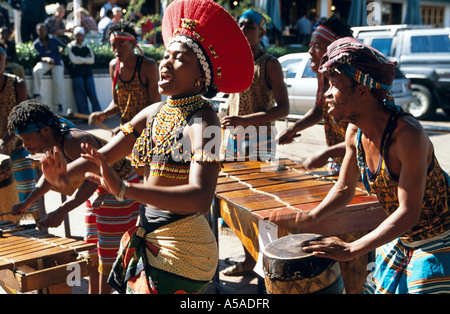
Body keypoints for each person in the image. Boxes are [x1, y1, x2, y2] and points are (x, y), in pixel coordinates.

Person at [38, 0, 254, 294]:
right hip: (150, 234)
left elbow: (202, 197)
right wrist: (64, 178)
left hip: (184, 246)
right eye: (166, 55)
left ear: (201, 76)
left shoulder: (206, 119)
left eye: (180, 59)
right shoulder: (152, 113)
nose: (166, 62)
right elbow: (100, 157)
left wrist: (125, 190)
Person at [271, 37, 450, 294]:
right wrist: (309, 217)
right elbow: (345, 187)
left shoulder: (408, 136)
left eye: (335, 85)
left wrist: (351, 249)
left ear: (363, 91)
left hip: (438, 240)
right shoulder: (354, 132)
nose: (327, 94)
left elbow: (409, 212)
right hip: (403, 237)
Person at [9, 100, 141, 294]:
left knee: (107, 253)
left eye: (27, 139)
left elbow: (91, 179)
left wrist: (62, 210)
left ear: (45, 130)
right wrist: (27, 202)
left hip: (120, 190)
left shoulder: (73, 142)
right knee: (91, 248)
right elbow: (49, 178)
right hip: (98, 189)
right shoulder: (50, 141)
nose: (24, 145)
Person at [220, 9, 289, 275]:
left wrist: (246, 120)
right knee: (235, 200)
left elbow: (283, 109)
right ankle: (250, 257)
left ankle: (263, 259)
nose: (243, 29)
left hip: (259, 140)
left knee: (261, 204)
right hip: (234, 139)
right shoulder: (235, 60)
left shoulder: (270, 63)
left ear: (262, 31)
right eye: (240, 25)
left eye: (249, 26)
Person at [277, 17, 353, 171]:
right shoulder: (324, 77)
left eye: (317, 46)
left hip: (361, 165)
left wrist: (326, 153)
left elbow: (364, 137)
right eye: (310, 45)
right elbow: (319, 109)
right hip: (338, 162)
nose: (310, 52)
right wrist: (293, 128)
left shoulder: (351, 82)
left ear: (334, 49)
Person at [89, 21, 160, 134]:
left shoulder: (148, 66)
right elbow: (117, 103)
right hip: (126, 130)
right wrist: (104, 114)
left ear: (133, 43)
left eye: (121, 45)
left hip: (147, 129)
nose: (117, 50)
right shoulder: (114, 66)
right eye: (114, 46)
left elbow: (155, 107)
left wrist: (129, 129)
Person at [0, 43, 40, 222]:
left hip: (17, 146)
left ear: (5, 61)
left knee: (28, 191)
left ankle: (34, 226)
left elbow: (22, 119)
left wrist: (8, 138)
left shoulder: (17, 83)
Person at [32, 23, 66, 114]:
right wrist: (46, 59)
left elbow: (63, 46)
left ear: (46, 31)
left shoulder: (53, 39)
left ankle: (59, 105)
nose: (42, 32)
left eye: (44, 30)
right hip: (45, 62)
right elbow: (38, 56)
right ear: (37, 32)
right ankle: (37, 94)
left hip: (57, 62)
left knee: (58, 82)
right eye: (40, 31)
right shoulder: (36, 44)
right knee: (36, 70)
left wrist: (59, 55)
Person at [67, 26, 101, 115]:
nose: (79, 37)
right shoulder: (70, 46)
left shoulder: (87, 46)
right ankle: (85, 115)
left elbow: (92, 60)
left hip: (87, 73)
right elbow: (73, 60)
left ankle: (98, 114)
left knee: (92, 94)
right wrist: (85, 59)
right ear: (74, 35)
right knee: (80, 95)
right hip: (76, 74)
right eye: (77, 35)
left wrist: (79, 58)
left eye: (80, 35)